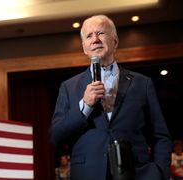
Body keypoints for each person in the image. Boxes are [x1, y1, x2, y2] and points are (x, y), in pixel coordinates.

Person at [50, 14, 172, 180]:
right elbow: (55, 135)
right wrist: (85, 105)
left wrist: (160, 173)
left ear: (115, 42)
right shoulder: (68, 87)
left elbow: (161, 136)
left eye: (100, 33)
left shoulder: (143, 83)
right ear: (85, 48)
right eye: (89, 36)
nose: (95, 39)